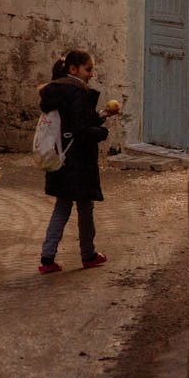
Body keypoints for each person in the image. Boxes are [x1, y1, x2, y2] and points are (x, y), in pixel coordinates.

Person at [37, 49, 120, 274]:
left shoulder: (55, 91)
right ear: (73, 70)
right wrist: (100, 134)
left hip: (60, 158)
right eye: (88, 69)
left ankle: (47, 258)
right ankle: (88, 254)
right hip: (78, 162)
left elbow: (73, 122)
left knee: (62, 207)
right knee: (85, 208)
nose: (91, 74)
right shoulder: (76, 93)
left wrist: (101, 115)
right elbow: (81, 130)